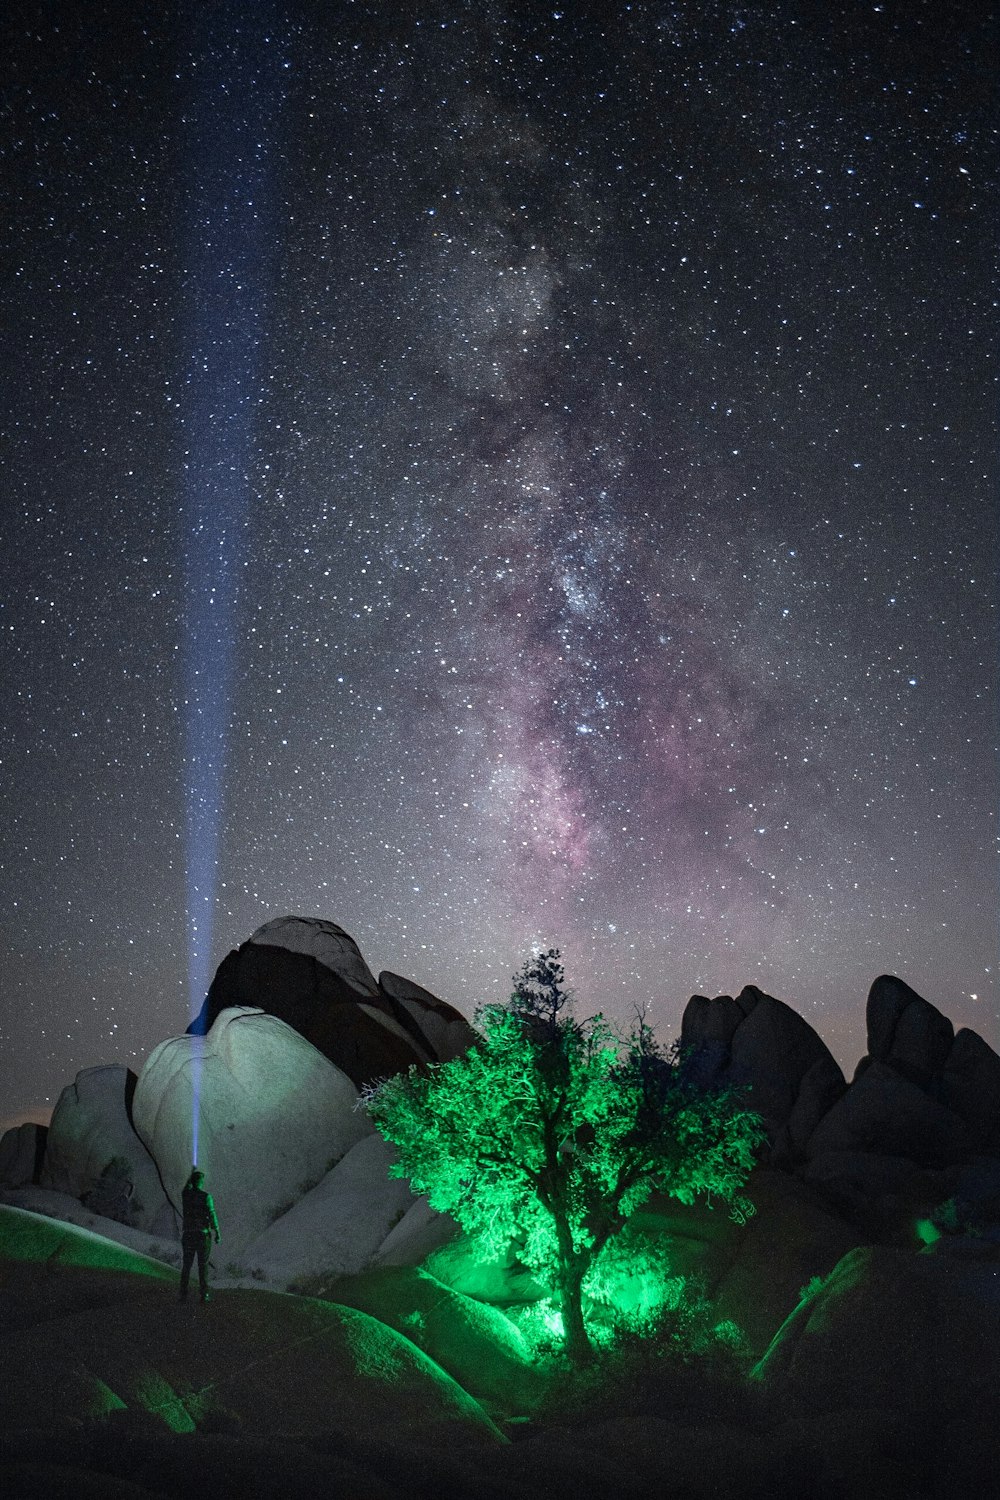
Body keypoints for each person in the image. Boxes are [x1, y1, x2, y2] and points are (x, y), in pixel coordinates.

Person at [179, 1166, 220, 1303]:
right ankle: (204, 1294)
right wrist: (217, 1232)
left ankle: (183, 1294)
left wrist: (190, 1174)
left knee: (187, 1265)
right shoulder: (206, 1197)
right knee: (203, 1265)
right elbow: (212, 1214)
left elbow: (186, 1188)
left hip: (189, 1234)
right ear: (201, 1182)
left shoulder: (186, 1195)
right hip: (202, 1236)